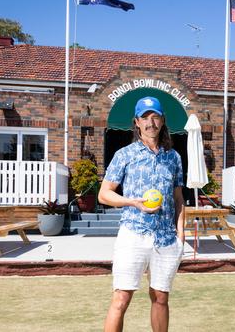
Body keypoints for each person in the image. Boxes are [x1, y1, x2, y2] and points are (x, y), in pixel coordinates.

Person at [100, 96, 185, 332]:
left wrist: (181, 234)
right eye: (145, 118)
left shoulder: (173, 158)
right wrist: (132, 203)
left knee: (160, 297)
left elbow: (178, 199)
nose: (151, 122)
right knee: (121, 298)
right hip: (133, 234)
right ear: (136, 122)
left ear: (162, 121)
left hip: (166, 239)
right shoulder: (124, 155)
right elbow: (104, 194)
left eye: (155, 117)